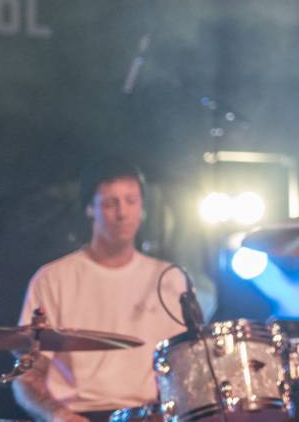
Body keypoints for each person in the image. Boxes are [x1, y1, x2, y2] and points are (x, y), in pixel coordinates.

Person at [13, 159, 187, 422]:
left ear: (143, 207)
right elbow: (27, 376)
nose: (122, 213)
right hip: (77, 415)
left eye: (131, 200)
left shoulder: (170, 278)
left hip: (151, 415)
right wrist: (58, 415)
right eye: (109, 203)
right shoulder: (53, 278)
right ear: (89, 209)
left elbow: (186, 366)